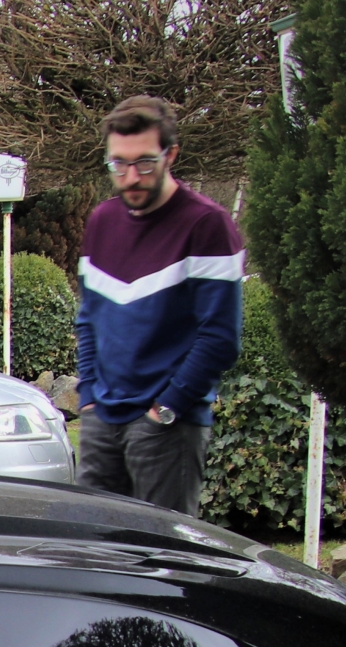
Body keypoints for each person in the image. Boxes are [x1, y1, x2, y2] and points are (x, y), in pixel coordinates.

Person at [74, 94, 243, 517]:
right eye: (119, 164)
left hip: (166, 427)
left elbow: (220, 338)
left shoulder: (207, 225)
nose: (131, 177)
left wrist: (166, 409)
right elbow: (89, 320)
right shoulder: (102, 221)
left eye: (145, 163)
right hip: (102, 421)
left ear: (171, 155)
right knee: (94, 551)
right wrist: (90, 398)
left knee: (164, 562)